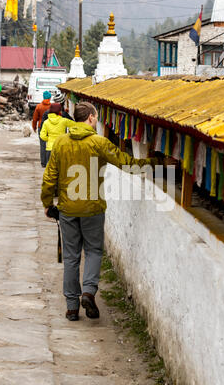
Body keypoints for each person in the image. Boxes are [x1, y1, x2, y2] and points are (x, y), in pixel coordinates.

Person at [41, 102, 157, 322]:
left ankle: (72, 307)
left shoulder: (60, 144)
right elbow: (128, 164)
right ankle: (88, 291)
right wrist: (159, 163)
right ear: (92, 118)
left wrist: (48, 203)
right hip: (93, 209)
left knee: (71, 257)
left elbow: (49, 178)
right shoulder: (99, 143)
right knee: (93, 251)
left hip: (67, 208)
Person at [32, 91, 52, 168]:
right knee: (50, 144)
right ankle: (48, 161)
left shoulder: (38, 106)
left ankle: (43, 163)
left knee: (42, 145)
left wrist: (34, 127)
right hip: (50, 127)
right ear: (50, 98)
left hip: (41, 126)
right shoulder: (52, 107)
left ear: (43, 97)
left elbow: (34, 119)